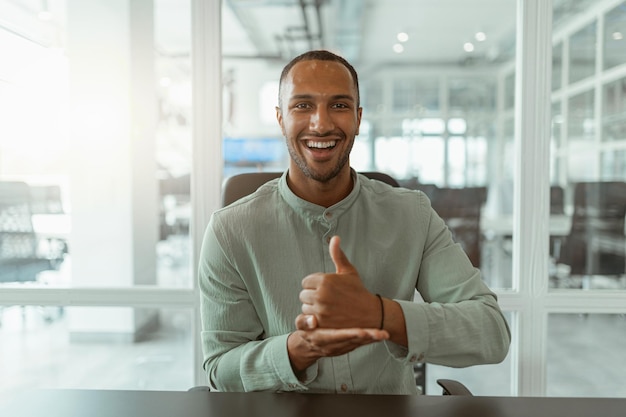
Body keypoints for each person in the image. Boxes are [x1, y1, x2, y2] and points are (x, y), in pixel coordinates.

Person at [199, 50, 510, 395]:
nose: (321, 123)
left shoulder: (413, 214)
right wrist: (299, 350)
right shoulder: (229, 231)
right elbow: (220, 370)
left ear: (358, 119)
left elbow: (492, 332)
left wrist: (380, 314)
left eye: (339, 105)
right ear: (280, 119)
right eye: (302, 106)